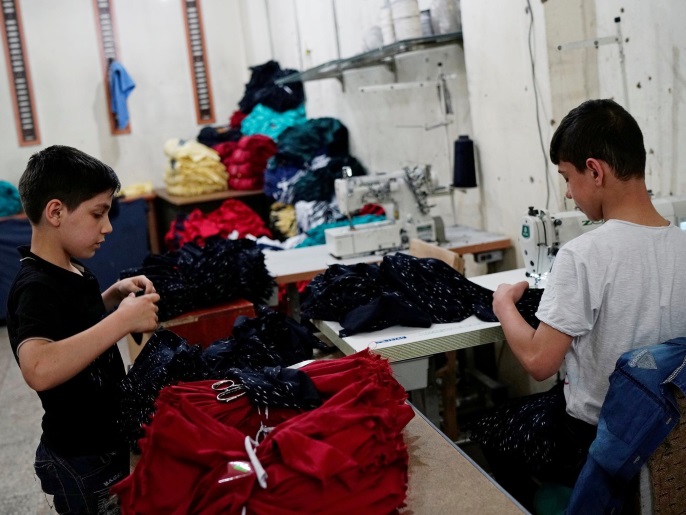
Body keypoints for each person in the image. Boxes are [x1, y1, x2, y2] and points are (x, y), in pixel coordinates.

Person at [472, 99, 686, 508]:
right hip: (667, 430)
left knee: (489, 426)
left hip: (597, 437)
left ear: (595, 170)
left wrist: (503, 304)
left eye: (567, 178)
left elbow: (539, 363)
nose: (568, 194)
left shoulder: (584, 254)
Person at [6, 145, 160, 513]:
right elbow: (39, 368)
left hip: (103, 439)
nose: (107, 227)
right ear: (56, 211)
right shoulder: (35, 287)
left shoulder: (71, 269)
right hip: (80, 459)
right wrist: (121, 321)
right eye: (98, 214)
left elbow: (72, 323)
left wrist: (111, 298)